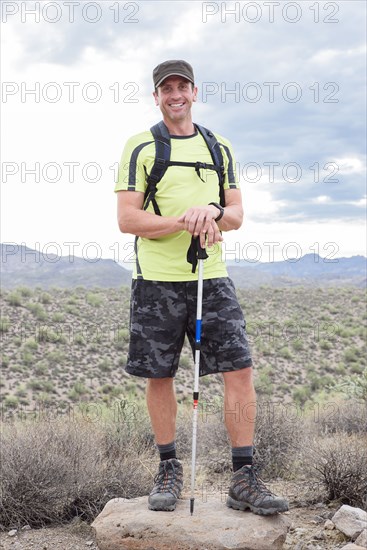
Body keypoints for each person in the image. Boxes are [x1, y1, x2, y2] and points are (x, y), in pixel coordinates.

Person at [115, 60, 288, 516]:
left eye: (182, 86)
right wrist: (184, 219)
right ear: (156, 97)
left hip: (211, 278)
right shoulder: (141, 147)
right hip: (156, 281)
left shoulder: (219, 147)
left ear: (194, 91)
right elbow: (127, 219)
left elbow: (235, 215)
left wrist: (210, 211)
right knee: (160, 376)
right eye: (165, 88)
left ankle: (244, 477)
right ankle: (169, 469)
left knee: (240, 371)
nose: (175, 94)